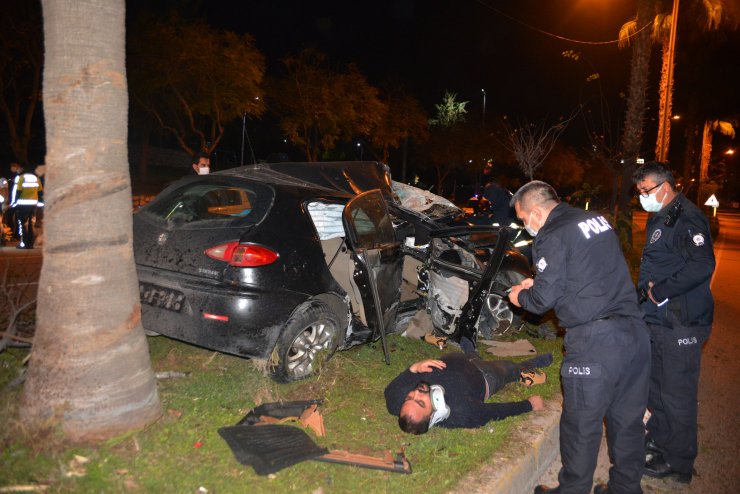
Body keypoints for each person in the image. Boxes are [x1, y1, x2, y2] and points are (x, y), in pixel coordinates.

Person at [507, 181, 650, 494]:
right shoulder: (595, 221)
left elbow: (542, 301)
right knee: (627, 422)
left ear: (535, 211)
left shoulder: (551, 234)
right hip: (635, 335)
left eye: (522, 219)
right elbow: (585, 270)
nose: (524, 226)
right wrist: (544, 281)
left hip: (595, 342)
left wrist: (520, 296)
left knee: (580, 427)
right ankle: (625, 489)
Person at [632, 162, 715, 485]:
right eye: (639, 191)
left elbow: (703, 265)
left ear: (665, 187)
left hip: (682, 321)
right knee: (658, 388)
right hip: (660, 321)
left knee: (677, 394)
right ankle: (660, 441)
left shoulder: (688, 218)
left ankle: (679, 462)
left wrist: (661, 292)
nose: (642, 196)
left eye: (646, 190)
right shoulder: (664, 213)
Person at [384, 336, 550, 434]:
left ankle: (471, 354)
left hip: (456, 360)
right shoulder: (462, 412)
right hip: (485, 375)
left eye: (410, 397)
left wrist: (414, 368)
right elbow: (496, 411)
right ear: (434, 413)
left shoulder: (397, 404)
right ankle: (528, 365)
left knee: (468, 354)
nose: (416, 393)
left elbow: (390, 391)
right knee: (509, 368)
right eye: (421, 402)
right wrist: (529, 405)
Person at [10, 167, 43, 249]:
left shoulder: (21, 178)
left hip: (23, 204)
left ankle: (24, 244)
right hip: (34, 204)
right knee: (31, 224)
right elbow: (40, 192)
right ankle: (30, 244)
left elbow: (18, 191)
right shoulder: (36, 178)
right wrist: (40, 202)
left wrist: (14, 203)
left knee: (23, 224)